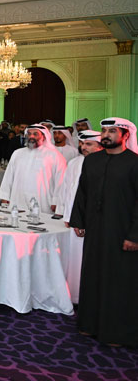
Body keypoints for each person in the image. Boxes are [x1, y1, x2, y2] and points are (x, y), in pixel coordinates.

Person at [70, 117, 138, 348]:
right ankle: (89, 324)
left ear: (125, 135)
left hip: (121, 233)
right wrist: (78, 219)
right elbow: (82, 191)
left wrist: (134, 236)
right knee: (92, 274)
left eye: (112, 131)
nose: (106, 135)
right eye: (104, 131)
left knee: (117, 280)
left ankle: (116, 332)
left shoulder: (134, 163)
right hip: (95, 229)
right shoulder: (92, 161)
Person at [59, 130, 103, 303]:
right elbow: (66, 189)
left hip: (92, 220)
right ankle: (73, 295)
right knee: (73, 257)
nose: (83, 147)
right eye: (82, 144)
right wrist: (65, 213)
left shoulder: (103, 164)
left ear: (100, 146)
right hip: (73, 217)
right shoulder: (74, 162)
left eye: (89, 144)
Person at [0, 124, 66, 213]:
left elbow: (61, 180)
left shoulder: (55, 155)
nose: (31, 137)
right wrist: (4, 196)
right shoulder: (17, 153)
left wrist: (56, 200)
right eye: (29, 134)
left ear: (44, 137)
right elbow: (8, 176)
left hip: (43, 202)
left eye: (35, 134)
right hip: (18, 200)